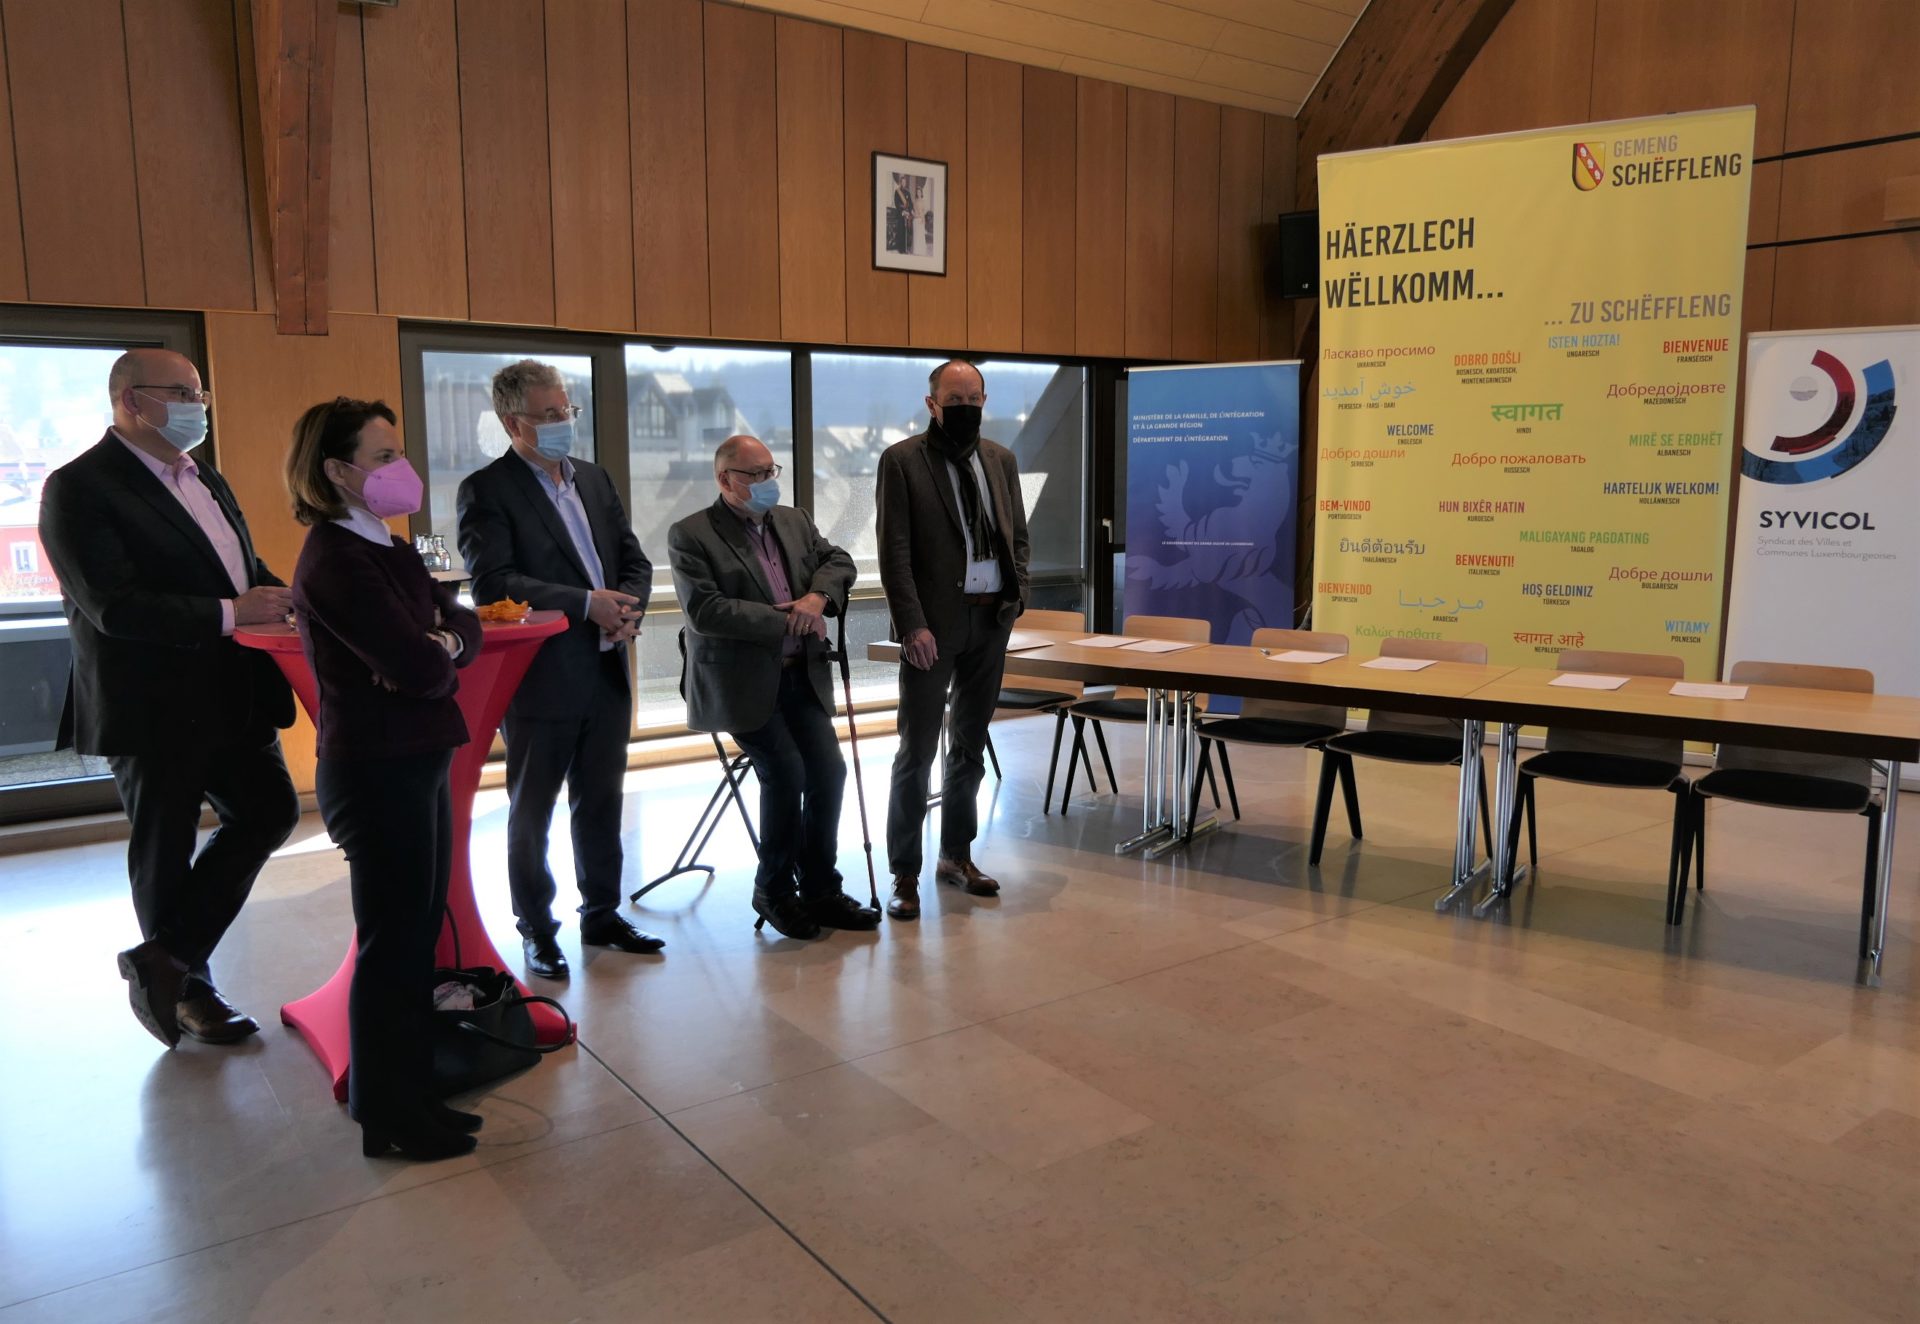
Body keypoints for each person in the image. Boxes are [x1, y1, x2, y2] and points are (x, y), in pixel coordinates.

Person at [38, 348, 299, 1048]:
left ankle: (166, 958)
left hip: (233, 690)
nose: (198, 406)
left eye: (200, 392)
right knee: (164, 848)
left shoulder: (202, 474)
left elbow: (239, 567)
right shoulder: (79, 486)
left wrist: (288, 598)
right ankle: (188, 995)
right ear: (131, 400)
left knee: (270, 811)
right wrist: (232, 613)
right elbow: (112, 605)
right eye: (182, 393)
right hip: (149, 701)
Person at [287, 397, 484, 1161]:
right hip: (375, 770)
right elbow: (417, 667)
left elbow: (459, 624)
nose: (401, 468)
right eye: (383, 457)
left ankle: (410, 1090)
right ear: (338, 471)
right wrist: (430, 648)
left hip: (419, 755)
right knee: (392, 944)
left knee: (415, 936)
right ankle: (387, 1111)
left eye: (398, 453)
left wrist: (439, 641)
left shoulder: (388, 545)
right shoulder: (336, 558)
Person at [455, 360, 661, 980]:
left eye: (566, 411)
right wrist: (585, 604)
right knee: (533, 811)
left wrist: (625, 609)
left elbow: (633, 560)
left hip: (606, 666)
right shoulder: (488, 490)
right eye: (547, 415)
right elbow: (494, 583)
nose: (562, 423)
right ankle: (537, 930)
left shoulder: (593, 479)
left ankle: (602, 913)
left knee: (601, 802)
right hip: (541, 678)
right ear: (511, 422)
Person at [667, 435, 871, 939]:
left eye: (770, 471)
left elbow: (840, 561)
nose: (766, 482)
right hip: (740, 684)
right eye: (754, 475)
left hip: (801, 674)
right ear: (725, 479)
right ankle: (774, 890)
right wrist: (787, 619)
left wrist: (818, 598)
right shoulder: (691, 534)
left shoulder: (794, 520)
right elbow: (705, 610)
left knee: (828, 772)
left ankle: (820, 888)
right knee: (785, 771)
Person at [875, 359, 1030, 921]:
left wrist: (1017, 598)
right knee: (916, 751)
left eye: (973, 399)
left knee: (969, 745)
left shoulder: (1001, 460)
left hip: (990, 622)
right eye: (954, 399)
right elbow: (894, 553)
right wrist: (911, 625)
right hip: (931, 631)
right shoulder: (902, 461)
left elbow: (1017, 537)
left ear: (984, 400)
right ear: (932, 404)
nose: (965, 408)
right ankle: (904, 872)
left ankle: (956, 856)